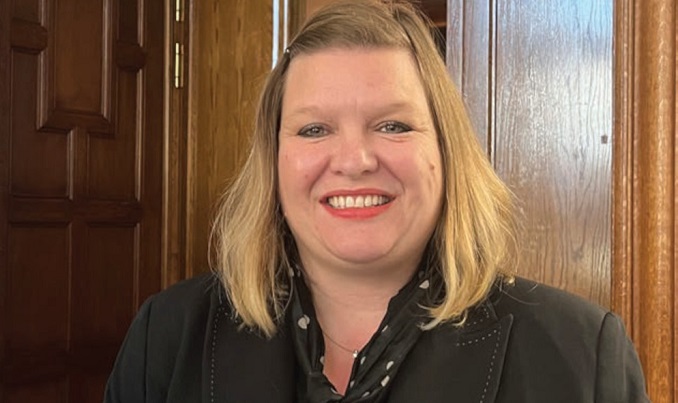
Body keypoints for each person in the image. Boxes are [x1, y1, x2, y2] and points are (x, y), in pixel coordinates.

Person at [104, 1, 649, 401]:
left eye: (393, 125)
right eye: (314, 129)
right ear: (274, 162)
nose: (355, 160)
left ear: (447, 152)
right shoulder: (167, 336)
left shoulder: (582, 355)